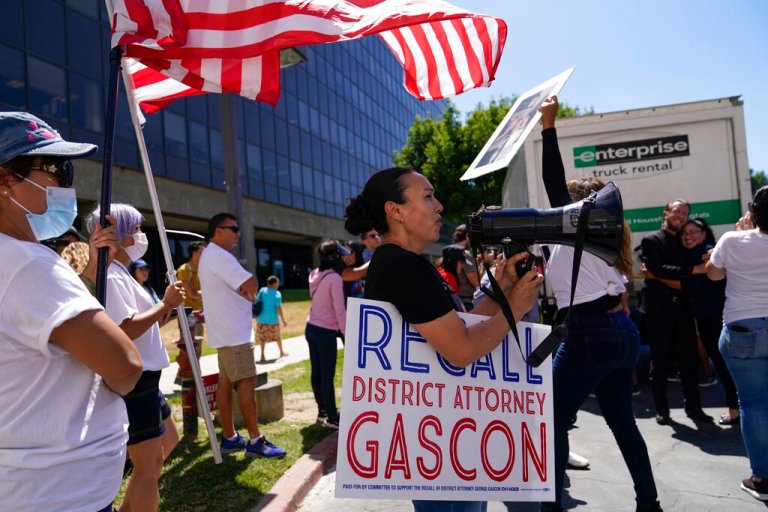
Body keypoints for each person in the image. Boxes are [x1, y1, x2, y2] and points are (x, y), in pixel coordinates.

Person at [345, 167, 542, 512]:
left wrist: (503, 288)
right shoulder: (401, 267)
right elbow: (461, 350)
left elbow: (459, 326)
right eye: (427, 197)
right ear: (395, 210)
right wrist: (515, 306)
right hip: (437, 441)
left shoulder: (406, 263)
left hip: (440, 434)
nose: (439, 206)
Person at [0, 111, 143, 512]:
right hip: (61, 495)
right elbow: (126, 365)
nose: (66, 184)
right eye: (56, 168)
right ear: (3, 179)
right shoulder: (28, 263)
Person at [538, 97, 662, 512]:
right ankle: (649, 503)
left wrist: (549, 126)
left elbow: (553, 182)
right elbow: (621, 297)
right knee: (622, 423)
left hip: (590, 332)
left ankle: (550, 507)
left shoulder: (579, 227)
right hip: (618, 331)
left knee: (552, 421)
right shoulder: (605, 237)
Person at [86, 203, 185, 512]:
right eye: (137, 228)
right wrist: (164, 304)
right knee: (149, 463)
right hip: (137, 380)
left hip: (147, 378)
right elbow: (124, 328)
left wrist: (164, 312)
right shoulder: (113, 277)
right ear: (123, 235)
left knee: (167, 443)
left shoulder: (122, 275)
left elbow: (137, 323)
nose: (142, 235)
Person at [198, 213, 286, 458]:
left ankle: (229, 437)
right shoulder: (219, 255)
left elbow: (243, 288)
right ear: (218, 231)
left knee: (225, 382)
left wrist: (245, 291)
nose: (238, 233)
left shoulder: (210, 255)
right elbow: (251, 283)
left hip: (225, 333)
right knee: (247, 382)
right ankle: (256, 441)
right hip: (234, 334)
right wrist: (248, 290)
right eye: (234, 229)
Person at [706, 185, 768, 502]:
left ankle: (762, 478)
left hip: (743, 330)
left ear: (753, 213)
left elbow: (713, 274)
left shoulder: (732, 240)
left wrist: (743, 237)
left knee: (755, 406)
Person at [640, 197, 711, 425]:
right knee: (659, 364)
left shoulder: (685, 242)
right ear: (666, 213)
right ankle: (662, 410)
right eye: (676, 211)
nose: (680, 216)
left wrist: (663, 274)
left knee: (689, 362)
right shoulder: (651, 240)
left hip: (683, 310)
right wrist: (692, 270)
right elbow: (657, 268)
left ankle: (694, 409)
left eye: (684, 213)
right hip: (658, 312)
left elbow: (659, 272)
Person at [680, 218, 739, 425]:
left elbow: (689, 286)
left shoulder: (705, 252)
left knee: (724, 365)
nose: (688, 237)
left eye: (693, 232)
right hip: (714, 316)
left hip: (714, 318)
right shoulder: (703, 251)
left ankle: (735, 410)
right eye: (685, 233)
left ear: (704, 234)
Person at [305, 241, 348, 429]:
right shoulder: (335, 278)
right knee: (327, 374)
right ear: (335, 257)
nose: (344, 258)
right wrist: (347, 334)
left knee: (317, 371)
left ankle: (322, 410)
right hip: (325, 331)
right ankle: (332, 416)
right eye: (341, 255)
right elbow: (340, 310)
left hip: (311, 327)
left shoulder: (314, 274)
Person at [256, 275, 288, 362]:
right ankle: (281, 352)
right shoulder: (277, 294)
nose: (278, 285)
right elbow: (278, 308)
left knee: (262, 338)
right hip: (273, 320)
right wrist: (283, 320)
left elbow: (257, 301)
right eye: (277, 283)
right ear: (274, 284)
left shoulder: (262, 290)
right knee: (277, 337)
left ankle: (262, 355)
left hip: (261, 319)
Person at [176, 241, 206, 337]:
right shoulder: (185, 269)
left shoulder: (201, 270)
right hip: (188, 314)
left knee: (198, 343)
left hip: (198, 313)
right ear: (194, 253)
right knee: (188, 344)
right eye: (203, 252)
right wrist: (210, 293)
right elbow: (192, 294)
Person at [448, 224, 480, 311]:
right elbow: (476, 282)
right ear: (467, 236)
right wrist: (484, 265)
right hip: (466, 303)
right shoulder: (465, 254)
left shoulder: (447, 252)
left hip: (452, 300)